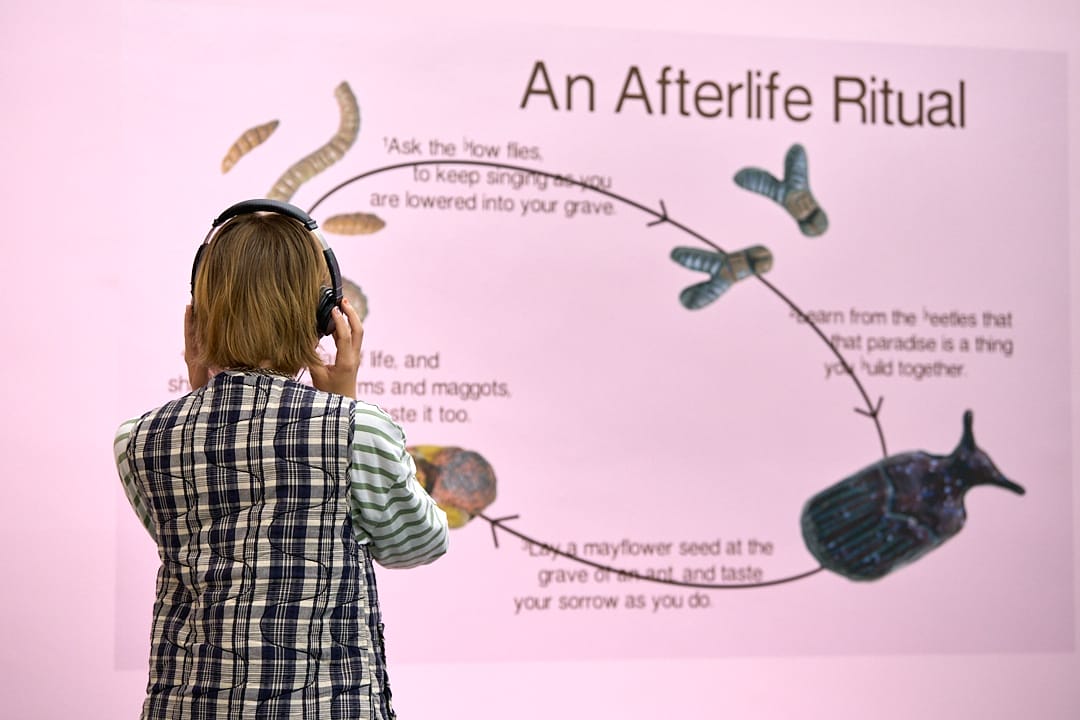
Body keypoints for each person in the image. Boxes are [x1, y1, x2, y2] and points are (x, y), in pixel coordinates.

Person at [114, 200, 449, 719]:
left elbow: (204, 545)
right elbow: (419, 544)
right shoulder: (357, 430)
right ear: (323, 314)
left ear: (198, 314)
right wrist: (347, 402)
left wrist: (198, 391)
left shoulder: (139, 439)